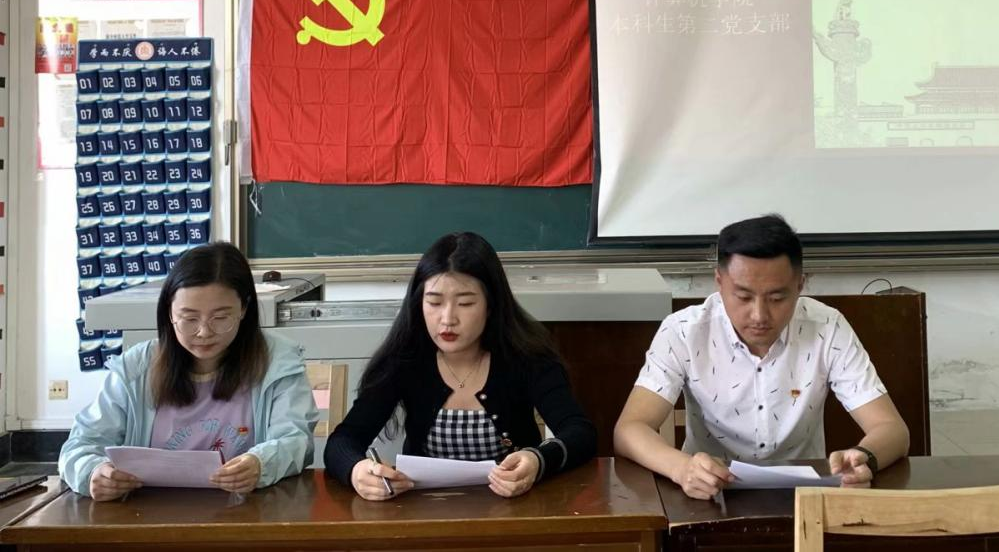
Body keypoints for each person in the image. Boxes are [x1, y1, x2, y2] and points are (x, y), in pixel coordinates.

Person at [613, 214, 909, 500]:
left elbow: (892, 429)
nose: (759, 315)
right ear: (719, 282)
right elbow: (629, 429)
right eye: (743, 297)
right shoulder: (684, 331)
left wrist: (865, 458)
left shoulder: (827, 327)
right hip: (708, 494)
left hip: (804, 497)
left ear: (800, 285)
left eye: (777, 298)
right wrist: (681, 468)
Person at [325, 231, 596, 500]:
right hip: (423, 512)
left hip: (514, 506)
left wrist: (538, 460)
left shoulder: (528, 357)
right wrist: (357, 470)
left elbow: (581, 433)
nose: (447, 319)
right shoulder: (404, 361)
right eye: (434, 302)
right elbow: (342, 441)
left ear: (491, 305)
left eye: (465, 303)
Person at [59, 242, 318, 500]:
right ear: (169, 312)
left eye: (220, 318)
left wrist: (261, 463)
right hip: (148, 514)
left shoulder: (276, 362)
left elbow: (296, 439)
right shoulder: (136, 367)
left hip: (247, 511)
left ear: (244, 309)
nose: (204, 332)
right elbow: (81, 445)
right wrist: (93, 471)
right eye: (189, 318)